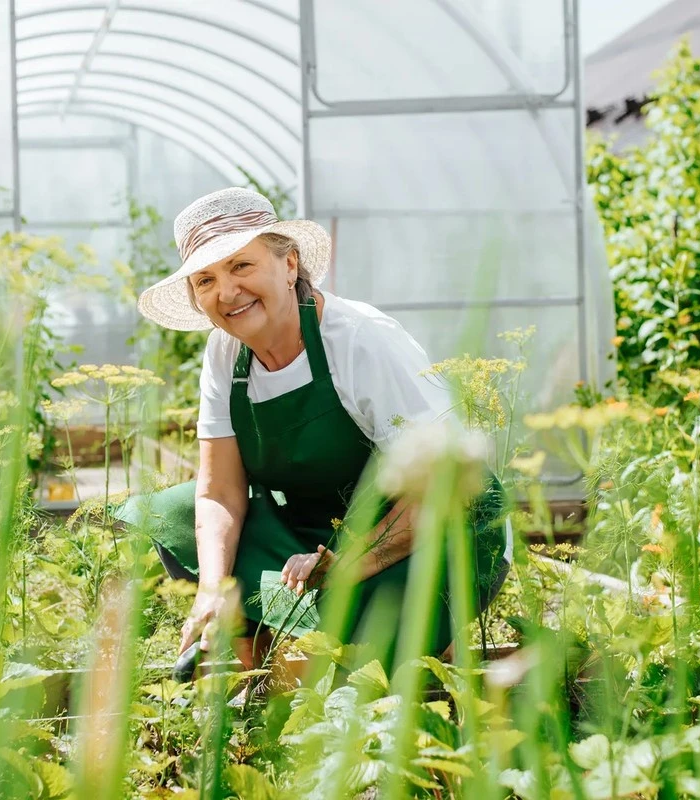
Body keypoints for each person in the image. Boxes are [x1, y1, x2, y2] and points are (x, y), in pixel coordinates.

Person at [116, 187, 510, 674]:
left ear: (289, 265)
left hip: (429, 530)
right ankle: (253, 671)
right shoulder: (224, 355)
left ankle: (424, 643)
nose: (226, 293)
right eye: (205, 280)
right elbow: (219, 490)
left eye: (242, 266)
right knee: (173, 513)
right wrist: (213, 593)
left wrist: (346, 563)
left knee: (364, 659)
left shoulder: (361, 340)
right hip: (316, 535)